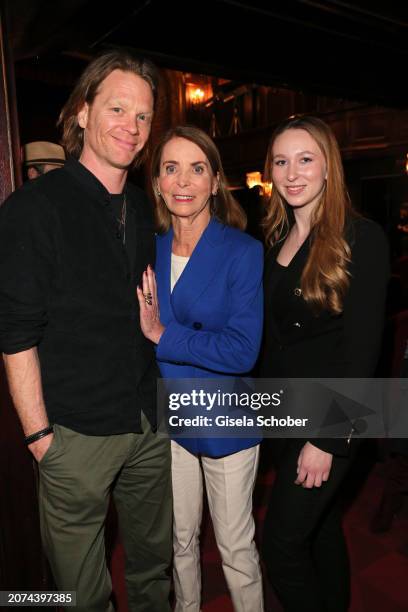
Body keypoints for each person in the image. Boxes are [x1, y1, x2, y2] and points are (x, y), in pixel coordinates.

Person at [0, 48, 172, 612]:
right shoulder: (35, 207)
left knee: (153, 572)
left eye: (143, 116)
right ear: (82, 113)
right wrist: (40, 440)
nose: (132, 126)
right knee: (79, 596)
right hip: (74, 434)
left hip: (147, 424)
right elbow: (16, 331)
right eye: (118, 108)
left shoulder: (146, 207)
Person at [259, 115, 389, 612]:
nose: (293, 173)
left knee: (282, 546)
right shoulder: (277, 241)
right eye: (281, 161)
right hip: (286, 415)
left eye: (306, 159)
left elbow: (362, 352)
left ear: (329, 167)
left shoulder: (361, 238)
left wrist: (327, 439)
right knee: (321, 531)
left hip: (331, 420)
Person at [137, 125, 264, 612]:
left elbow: (241, 351)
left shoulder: (242, 252)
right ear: (157, 183)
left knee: (234, 549)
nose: (182, 181)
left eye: (197, 169)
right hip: (171, 420)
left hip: (226, 423)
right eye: (171, 168)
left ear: (215, 181)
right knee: (181, 541)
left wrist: (164, 336)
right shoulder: (147, 251)